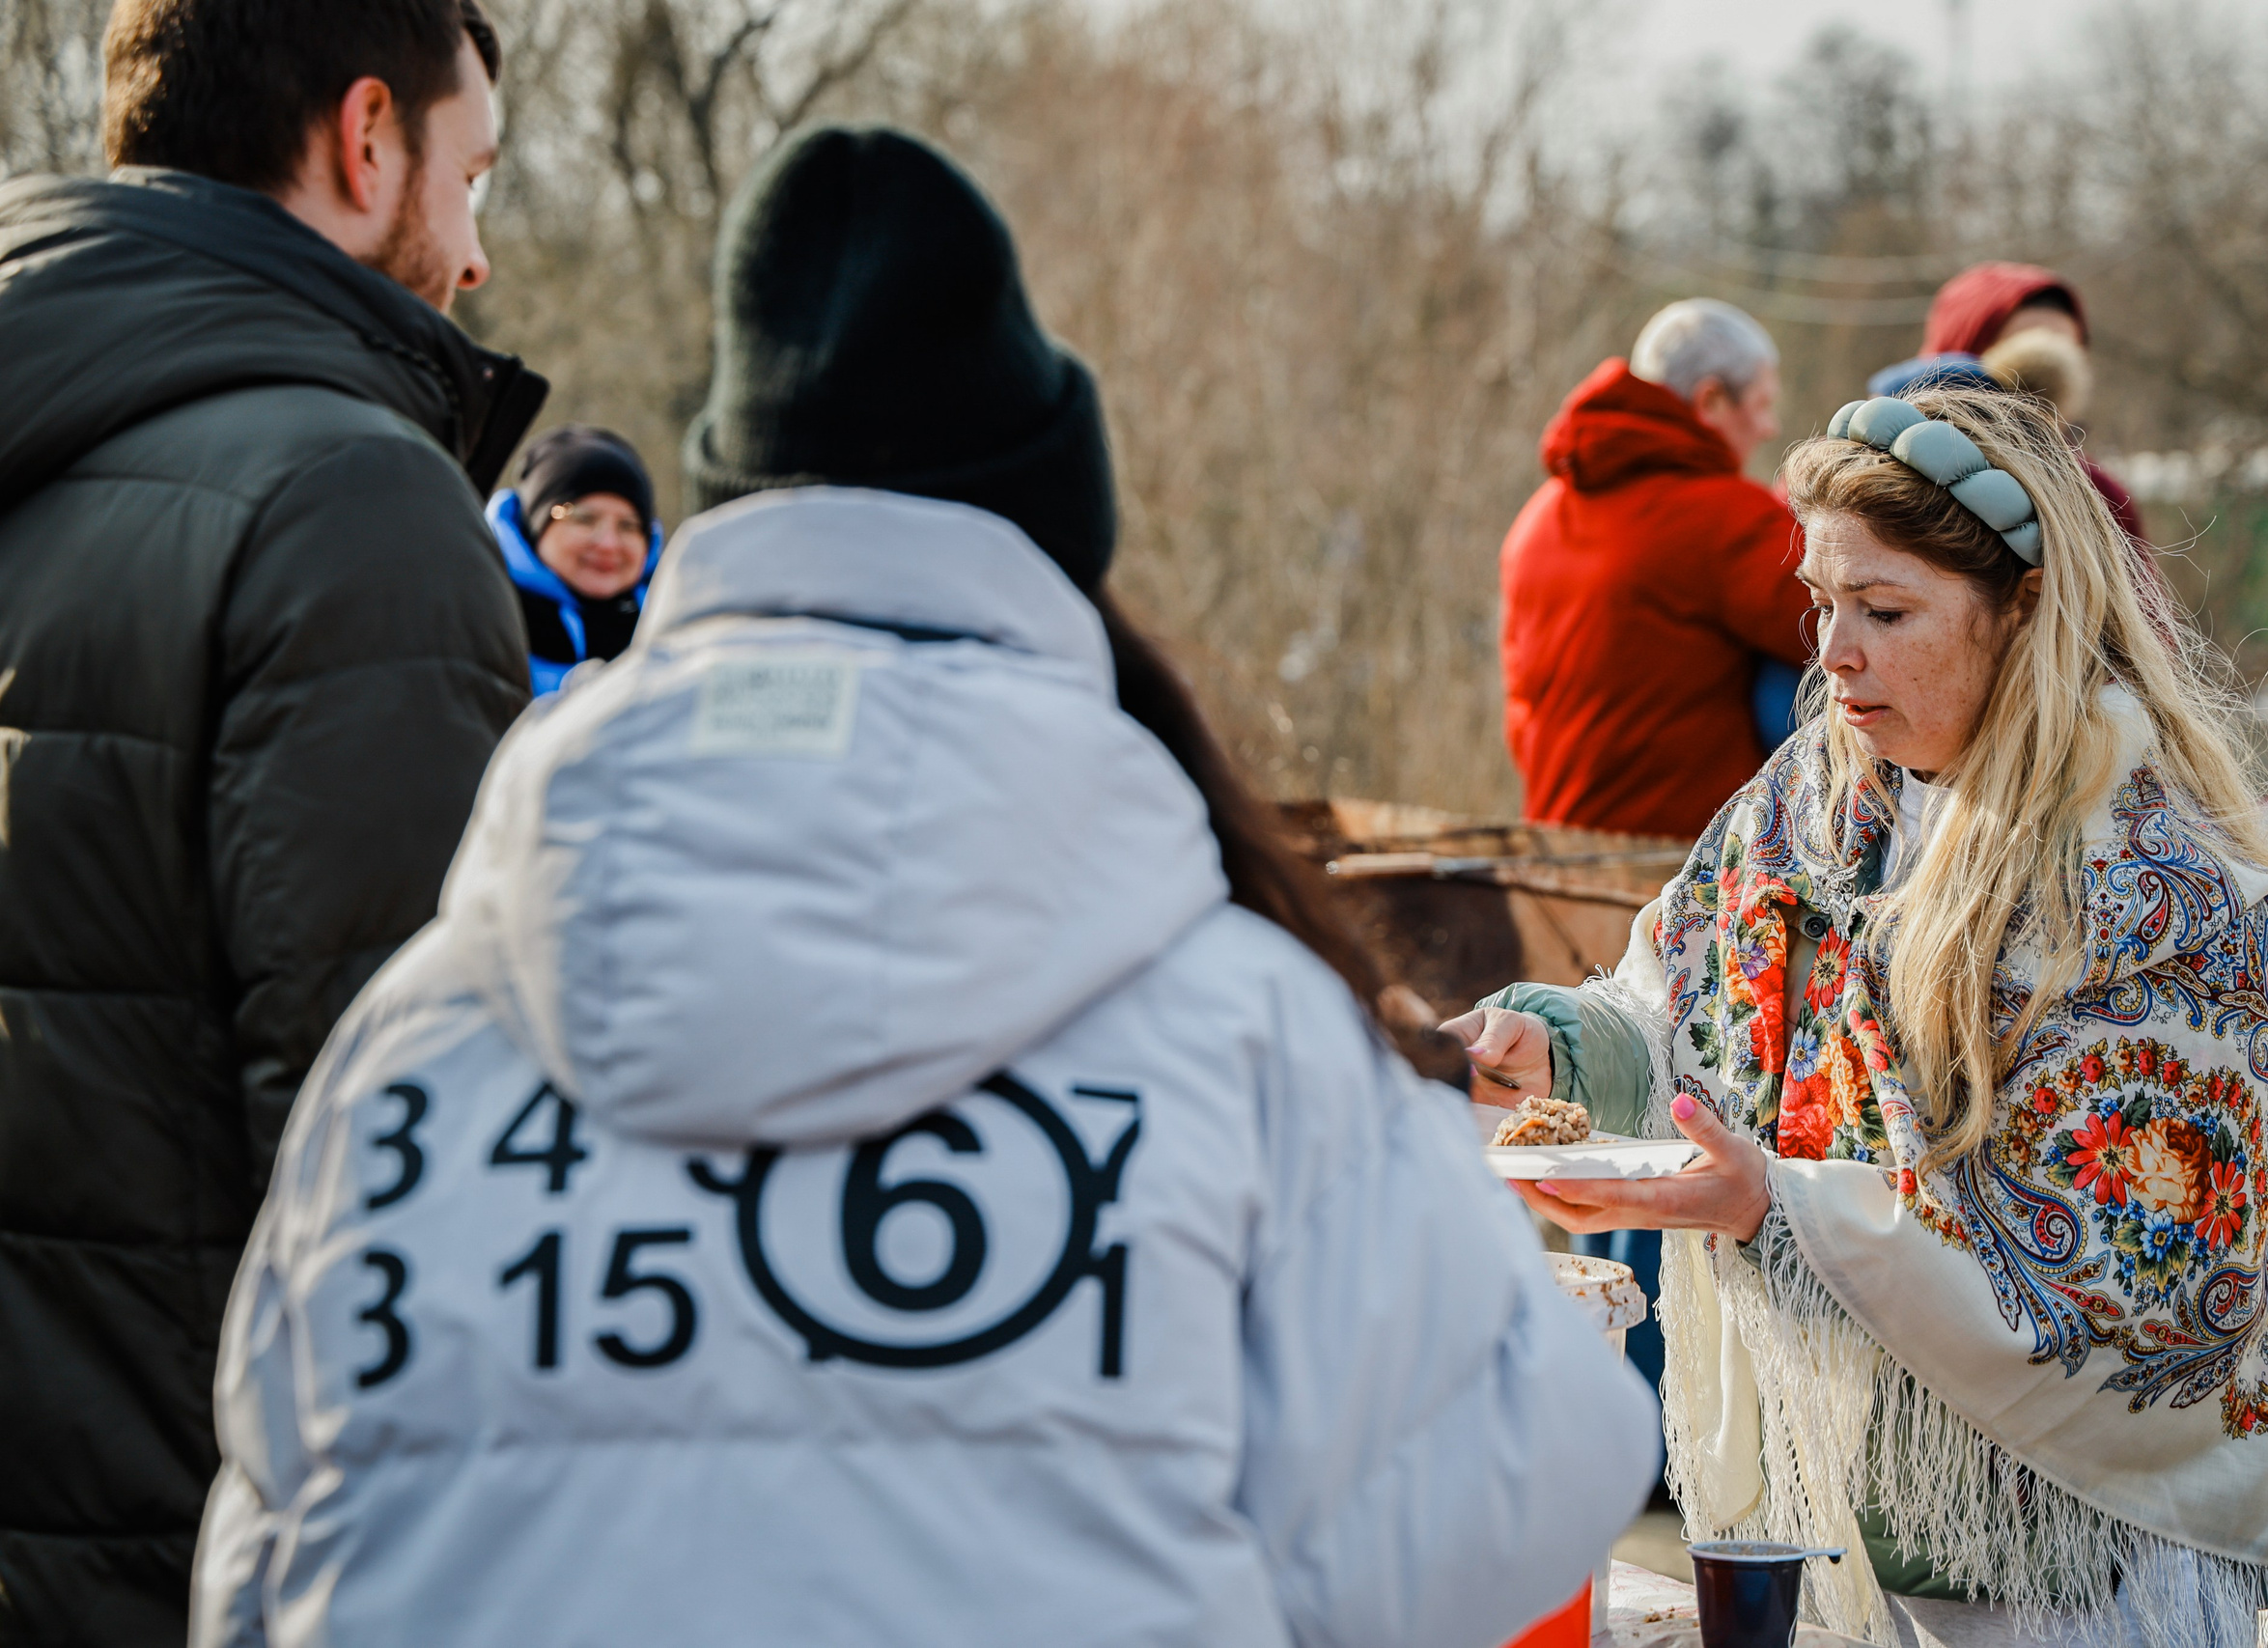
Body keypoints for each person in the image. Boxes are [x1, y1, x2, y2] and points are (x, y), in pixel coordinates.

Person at [193, 126, 1659, 1648]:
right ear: (1054, 536)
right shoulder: (1249, 1032)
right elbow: (1537, 1464)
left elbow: (274, 1553)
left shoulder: (417, 1037)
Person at [1445, 388, 2268, 1644]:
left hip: (2100, 1578)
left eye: (1884, 610)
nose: (1834, 652)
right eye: (1821, 602)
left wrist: (1778, 1206)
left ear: (2024, 610)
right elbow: (1682, 1007)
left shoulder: (2160, 898)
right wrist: (1550, 1044)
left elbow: (2123, 1302)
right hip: (1878, 1543)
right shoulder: (1819, 799)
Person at [0, 4, 536, 1640]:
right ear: (365, 139)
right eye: (473, 178)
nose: (474, 256)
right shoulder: (352, 507)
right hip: (197, 1567)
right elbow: (407, 1187)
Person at [1498, 298, 1809, 840]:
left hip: (1554, 848)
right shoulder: (1723, 517)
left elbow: (1520, 709)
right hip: (1677, 871)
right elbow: (1855, 622)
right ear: (1710, 400)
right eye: (1761, 404)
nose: (1769, 427)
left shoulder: (1536, 518)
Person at [1914, 261, 2144, 544]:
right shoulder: (1893, 476)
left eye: (2065, 359)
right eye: (2028, 363)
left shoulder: (2101, 499)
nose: (2043, 388)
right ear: (1957, 362)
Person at [488, 425, 664, 694]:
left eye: (629, 525)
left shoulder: (673, 627)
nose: (608, 544)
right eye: (583, 518)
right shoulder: (480, 616)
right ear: (535, 525)